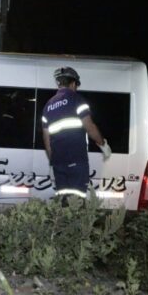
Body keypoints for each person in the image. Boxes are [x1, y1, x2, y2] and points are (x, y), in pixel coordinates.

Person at [41, 67, 111, 201]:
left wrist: (52, 162)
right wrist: (103, 144)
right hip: (77, 161)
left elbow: (47, 140)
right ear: (73, 84)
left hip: (58, 163)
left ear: (59, 83)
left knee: (63, 201)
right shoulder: (77, 100)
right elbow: (90, 127)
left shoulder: (47, 106)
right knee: (77, 201)